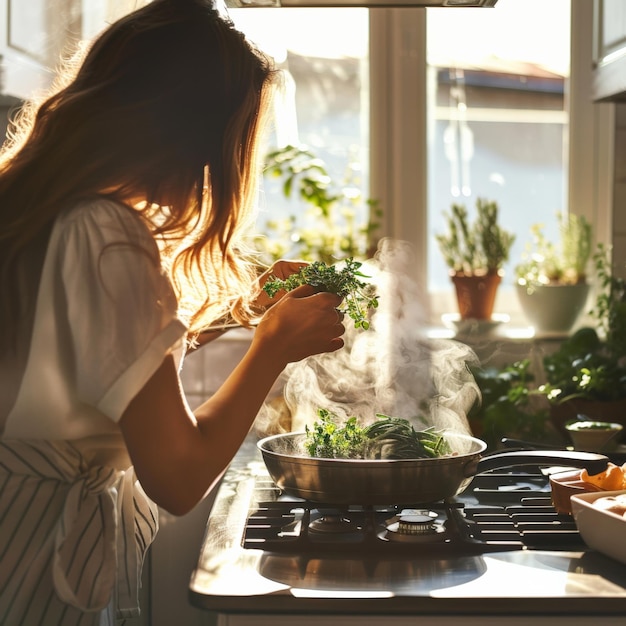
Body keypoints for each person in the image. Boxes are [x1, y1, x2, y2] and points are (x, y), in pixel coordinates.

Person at [0, 1, 346, 624]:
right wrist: (271, 346)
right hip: (30, 566)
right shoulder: (105, 233)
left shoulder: (41, 210)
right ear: (195, 134)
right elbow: (179, 476)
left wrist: (245, 308)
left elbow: (84, 363)